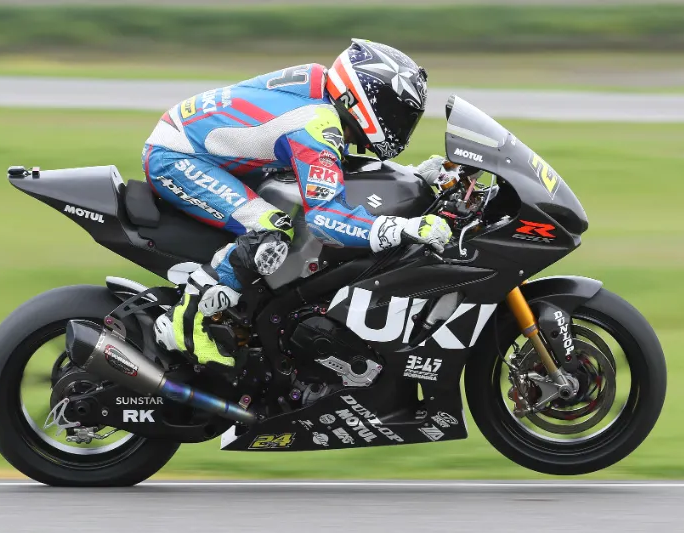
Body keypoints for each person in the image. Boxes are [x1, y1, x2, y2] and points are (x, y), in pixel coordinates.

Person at [142, 39, 452, 372]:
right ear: (363, 96)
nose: (400, 123)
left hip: (203, 147)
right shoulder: (317, 121)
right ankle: (186, 322)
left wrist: (414, 174)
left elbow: (330, 162)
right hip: (177, 156)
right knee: (271, 229)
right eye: (396, 112)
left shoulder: (324, 93)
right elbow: (325, 217)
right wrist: (402, 228)